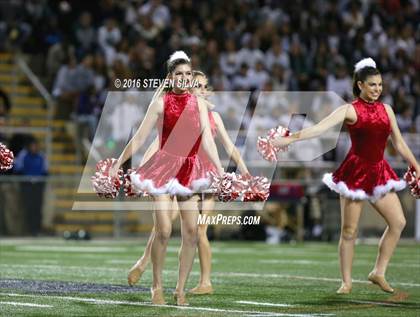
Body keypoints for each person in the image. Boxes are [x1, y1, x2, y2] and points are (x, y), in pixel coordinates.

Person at [271, 58, 420, 294]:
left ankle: (378, 272)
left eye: (380, 85)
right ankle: (346, 282)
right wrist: (290, 137)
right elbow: (319, 128)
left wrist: (416, 165)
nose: (378, 89)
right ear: (360, 85)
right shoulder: (349, 109)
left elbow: (399, 143)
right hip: (356, 172)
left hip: (379, 171)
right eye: (372, 85)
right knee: (349, 231)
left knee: (398, 222)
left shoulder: (387, 109)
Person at [110, 51, 223, 306]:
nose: (184, 78)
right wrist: (118, 163)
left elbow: (207, 141)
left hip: (190, 169)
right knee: (163, 230)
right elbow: (139, 138)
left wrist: (220, 171)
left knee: (192, 232)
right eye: (179, 74)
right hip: (163, 167)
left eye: (187, 74)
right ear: (170, 77)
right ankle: (156, 286)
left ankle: (180, 289)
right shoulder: (160, 102)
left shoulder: (200, 105)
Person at [127, 70, 250, 296]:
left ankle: (205, 282)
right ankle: (144, 262)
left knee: (200, 230)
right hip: (183, 174)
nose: (201, 90)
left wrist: (244, 172)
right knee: (164, 225)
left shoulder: (214, 117)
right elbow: (157, 144)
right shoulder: (181, 114)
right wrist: (142, 171)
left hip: (207, 176)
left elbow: (229, 147)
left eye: (204, 86)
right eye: (197, 86)